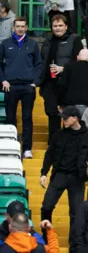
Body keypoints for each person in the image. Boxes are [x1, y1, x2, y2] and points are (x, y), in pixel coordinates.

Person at [40, 105, 88, 231]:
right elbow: (49, 154)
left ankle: (74, 245)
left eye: (65, 118)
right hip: (59, 175)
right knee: (46, 207)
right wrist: (44, 173)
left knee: (76, 213)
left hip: (77, 178)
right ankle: (46, 238)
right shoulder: (58, 134)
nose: (63, 120)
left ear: (75, 118)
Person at [0, 17, 42, 158]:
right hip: (9, 86)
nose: (20, 28)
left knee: (27, 118)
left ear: (26, 28)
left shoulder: (32, 44)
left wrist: (34, 82)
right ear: (13, 28)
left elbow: (38, 65)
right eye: (17, 26)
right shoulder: (5, 44)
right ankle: (11, 148)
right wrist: (3, 80)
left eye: (22, 26)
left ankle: (27, 149)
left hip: (27, 87)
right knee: (10, 119)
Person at [39, 14, 83, 139]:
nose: (58, 28)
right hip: (49, 83)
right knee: (52, 114)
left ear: (66, 26)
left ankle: (67, 144)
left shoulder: (75, 39)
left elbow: (79, 63)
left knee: (67, 115)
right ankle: (53, 143)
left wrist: (63, 69)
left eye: (60, 25)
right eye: (55, 26)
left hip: (67, 84)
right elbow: (42, 61)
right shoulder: (47, 40)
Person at [57, 49, 88, 115]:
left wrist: (60, 103)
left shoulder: (68, 67)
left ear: (78, 57)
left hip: (70, 107)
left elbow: (62, 86)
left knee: (70, 125)